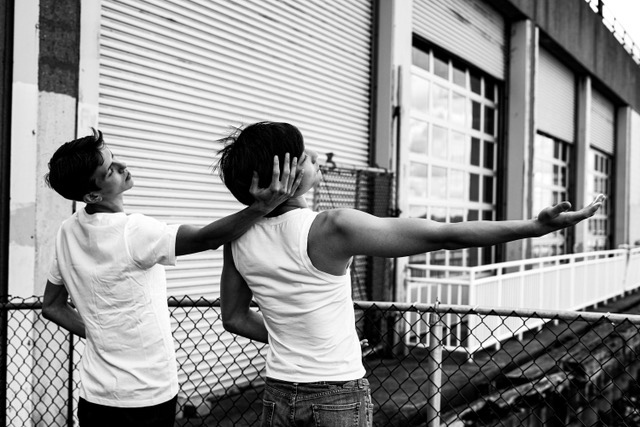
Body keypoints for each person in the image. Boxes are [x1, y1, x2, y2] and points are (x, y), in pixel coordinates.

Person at [216, 121, 605, 427]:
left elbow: (234, 317)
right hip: (336, 395)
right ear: (282, 174)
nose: (315, 155)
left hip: (277, 394)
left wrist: (292, 336)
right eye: (303, 156)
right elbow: (444, 235)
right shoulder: (331, 228)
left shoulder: (238, 238)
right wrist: (534, 227)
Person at [41, 128, 302, 427]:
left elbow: (52, 306)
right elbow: (206, 238)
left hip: (94, 397)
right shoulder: (132, 231)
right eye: (110, 170)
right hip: (145, 396)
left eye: (114, 158)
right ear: (92, 195)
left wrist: (102, 336)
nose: (123, 166)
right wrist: (262, 207)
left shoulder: (67, 230)